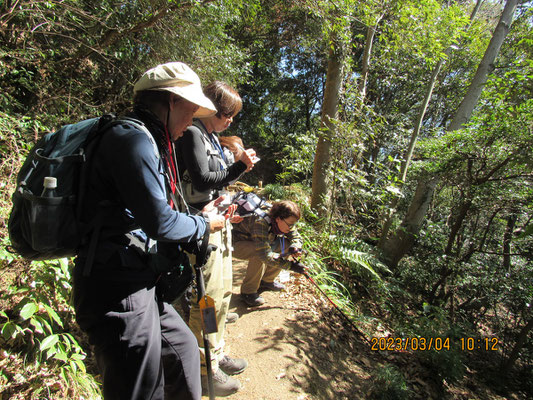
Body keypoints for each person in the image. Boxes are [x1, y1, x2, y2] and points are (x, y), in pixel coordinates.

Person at [72, 62, 226, 400]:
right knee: (142, 388)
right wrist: (203, 223)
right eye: (190, 110)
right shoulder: (131, 139)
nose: (190, 123)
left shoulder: (143, 137)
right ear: (172, 101)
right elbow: (161, 221)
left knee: (183, 349)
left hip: (136, 280)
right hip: (115, 287)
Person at [175, 81, 256, 396]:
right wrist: (240, 166)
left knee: (222, 295)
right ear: (208, 107)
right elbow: (201, 179)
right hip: (199, 229)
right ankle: (203, 367)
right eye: (226, 113)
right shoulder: (193, 133)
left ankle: (217, 352)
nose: (230, 121)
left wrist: (230, 198)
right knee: (205, 301)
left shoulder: (210, 137)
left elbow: (216, 186)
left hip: (218, 223)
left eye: (232, 116)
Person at [232, 200, 306, 307]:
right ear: (278, 219)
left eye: (293, 224)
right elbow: (265, 255)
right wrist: (290, 266)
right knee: (257, 253)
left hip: (254, 241)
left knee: (285, 244)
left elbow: (295, 236)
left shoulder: (285, 219)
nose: (291, 227)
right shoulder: (260, 222)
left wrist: (295, 247)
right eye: (290, 224)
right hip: (234, 244)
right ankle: (248, 292)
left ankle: (266, 281)